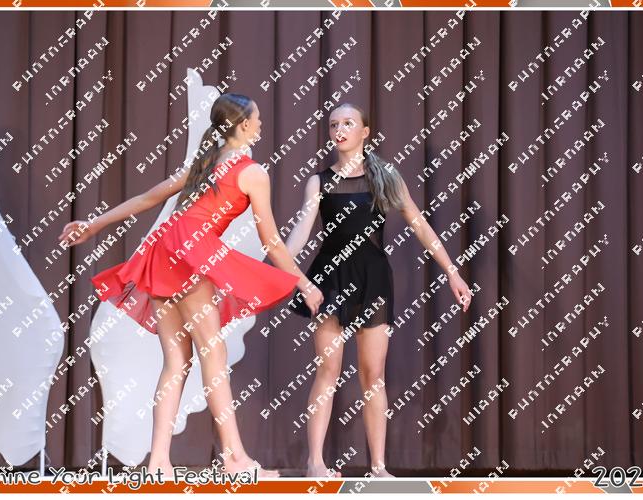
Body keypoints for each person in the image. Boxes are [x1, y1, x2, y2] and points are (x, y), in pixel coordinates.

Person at [58, 93, 324, 478]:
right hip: (192, 253)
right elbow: (272, 242)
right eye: (257, 119)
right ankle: (235, 459)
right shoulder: (252, 172)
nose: (261, 124)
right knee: (213, 355)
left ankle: (159, 462)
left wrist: (94, 224)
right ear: (243, 125)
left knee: (177, 361)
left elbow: (148, 198)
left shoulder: (204, 162)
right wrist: (303, 282)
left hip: (164, 248)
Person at [284, 103, 472, 478]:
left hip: (373, 280)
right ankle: (315, 463)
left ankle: (378, 467)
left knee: (373, 375)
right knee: (328, 370)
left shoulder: (385, 177)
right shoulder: (318, 182)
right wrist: (278, 268)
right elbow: (301, 231)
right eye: (333, 124)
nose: (339, 130)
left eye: (348, 123)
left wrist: (452, 271)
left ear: (365, 132)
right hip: (331, 277)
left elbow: (419, 225)